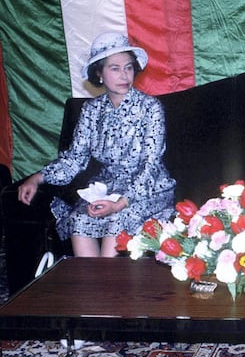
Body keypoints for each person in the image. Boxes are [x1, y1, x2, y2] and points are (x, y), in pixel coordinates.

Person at [17, 32, 176, 258]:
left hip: (147, 188)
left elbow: (150, 166)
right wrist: (37, 177)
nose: (124, 75)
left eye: (129, 67)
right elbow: (75, 158)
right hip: (108, 187)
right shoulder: (91, 111)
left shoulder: (150, 108)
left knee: (115, 221)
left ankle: (109, 290)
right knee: (78, 220)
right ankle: (91, 292)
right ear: (99, 74)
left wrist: (120, 204)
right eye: (115, 68)